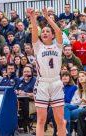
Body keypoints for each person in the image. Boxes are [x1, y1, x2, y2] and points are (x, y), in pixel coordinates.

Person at [27, 7, 66, 136]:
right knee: (41, 119)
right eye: (42, 31)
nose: (44, 33)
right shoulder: (38, 47)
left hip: (56, 83)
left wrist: (47, 17)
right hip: (42, 83)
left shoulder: (58, 46)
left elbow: (59, 30)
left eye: (47, 31)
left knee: (60, 120)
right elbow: (34, 31)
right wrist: (33, 17)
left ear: (52, 35)